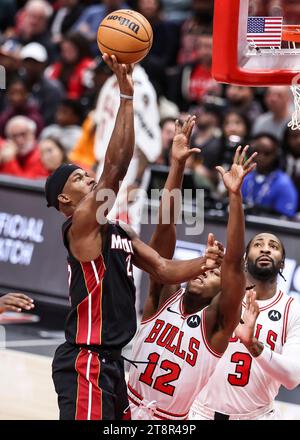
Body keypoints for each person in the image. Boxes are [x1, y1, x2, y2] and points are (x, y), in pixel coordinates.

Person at [46, 56, 222, 420]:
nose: (89, 178)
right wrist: (126, 97)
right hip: (86, 362)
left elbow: (163, 267)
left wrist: (204, 263)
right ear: (64, 200)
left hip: (113, 365)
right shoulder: (78, 227)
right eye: (78, 178)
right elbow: (115, 169)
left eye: (85, 173)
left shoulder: (119, 231)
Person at [128, 139, 258, 420]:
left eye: (214, 274)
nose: (205, 272)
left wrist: (235, 197)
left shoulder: (216, 325)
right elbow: (165, 226)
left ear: (221, 292)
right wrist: (177, 165)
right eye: (205, 268)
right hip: (125, 407)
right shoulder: (163, 295)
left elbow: (234, 264)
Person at [190, 232, 300, 420]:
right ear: (244, 258)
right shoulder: (218, 292)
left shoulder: (293, 310)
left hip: (256, 416)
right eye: (258, 244)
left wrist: (253, 345)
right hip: (199, 411)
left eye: (273, 246)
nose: (265, 248)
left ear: (282, 263)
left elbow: (292, 378)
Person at [242, 133, 298, 218]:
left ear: (276, 155)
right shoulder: (245, 178)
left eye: (267, 153)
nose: (261, 157)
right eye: (257, 152)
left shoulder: (283, 183)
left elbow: (285, 218)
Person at [20, 42, 64, 126]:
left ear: (43, 64)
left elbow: (50, 118)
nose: (30, 66)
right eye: (27, 62)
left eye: (34, 63)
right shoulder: (19, 85)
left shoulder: (53, 89)